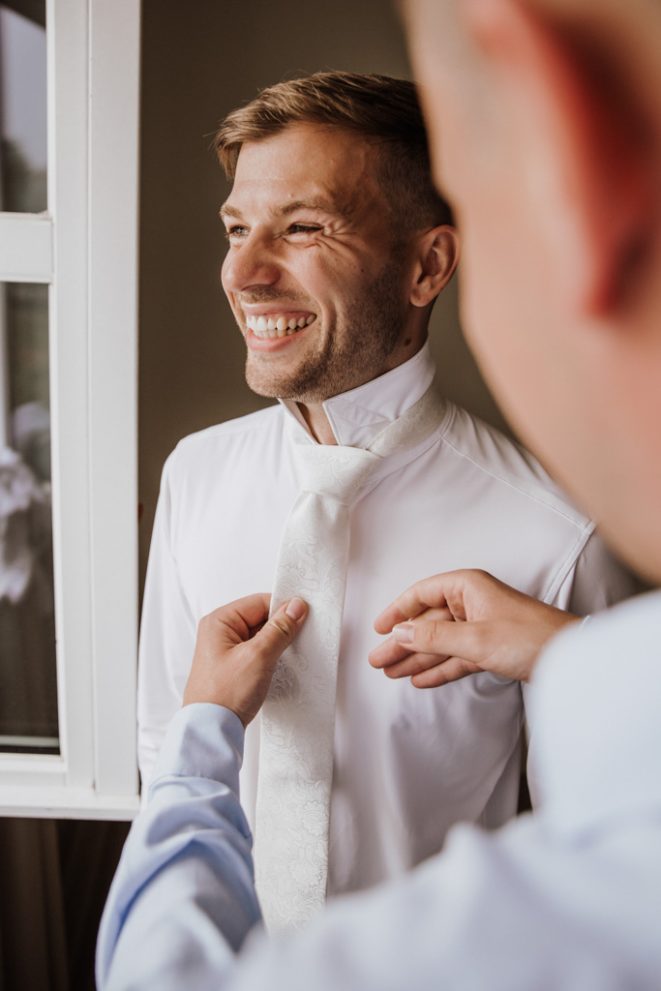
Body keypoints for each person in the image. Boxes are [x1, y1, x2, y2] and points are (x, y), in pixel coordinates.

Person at [97, 0, 661, 986]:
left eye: (301, 227)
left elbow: (611, 833)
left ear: (428, 263)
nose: (242, 272)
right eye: (236, 228)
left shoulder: (558, 532)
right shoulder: (194, 476)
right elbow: (164, 744)